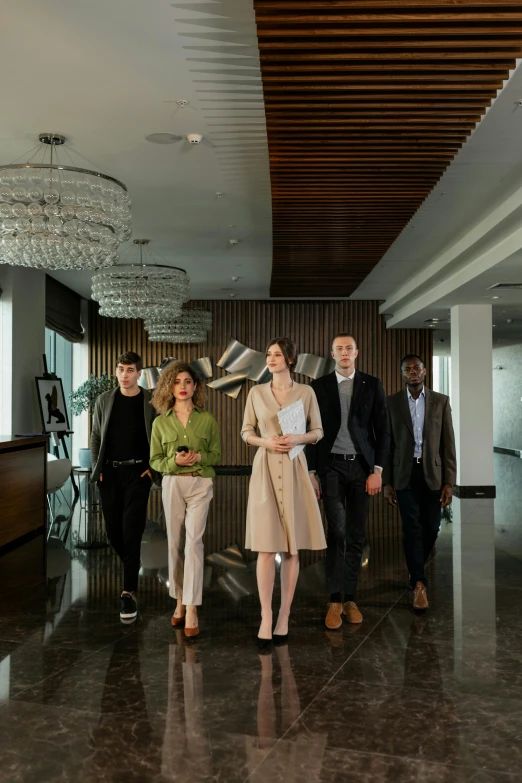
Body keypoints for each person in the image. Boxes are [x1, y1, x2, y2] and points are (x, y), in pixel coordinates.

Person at [241, 337, 326, 647]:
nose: (271, 358)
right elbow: (246, 431)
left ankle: (284, 615)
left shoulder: (306, 392)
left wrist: (299, 438)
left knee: (291, 548)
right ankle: (265, 615)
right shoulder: (256, 392)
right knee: (265, 548)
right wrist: (267, 442)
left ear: (291, 360)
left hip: (294, 469)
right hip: (264, 469)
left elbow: (318, 431)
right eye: (268, 354)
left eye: (277, 355)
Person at [306, 334, 390, 629]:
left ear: (357, 352)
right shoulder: (318, 387)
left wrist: (377, 471)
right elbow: (311, 432)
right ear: (332, 353)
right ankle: (334, 599)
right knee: (337, 531)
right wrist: (312, 473)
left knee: (356, 534)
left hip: (362, 470)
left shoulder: (372, 384)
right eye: (339, 348)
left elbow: (384, 431)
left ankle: (350, 598)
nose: (344, 352)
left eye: (349, 348)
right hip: (331, 468)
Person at [150, 361, 221, 638]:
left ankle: (191, 607)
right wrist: (174, 460)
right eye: (177, 382)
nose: (183, 386)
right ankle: (178, 600)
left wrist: (199, 457)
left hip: (200, 482)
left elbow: (216, 455)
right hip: (172, 483)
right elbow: (154, 460)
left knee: (194, 542)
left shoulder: (207, 419)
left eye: (188, 382)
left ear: (195, 387)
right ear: (169, 386)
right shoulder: (160, 422)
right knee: (176, 543)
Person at [383, 354, 456, 610]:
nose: (412, 372)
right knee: (411, 528)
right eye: (407, 369)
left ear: (424, 372)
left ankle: (414, 572)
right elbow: (387, 445)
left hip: (433, 475)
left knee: (432, 527)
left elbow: (448, 444)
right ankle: (419, 584)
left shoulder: (440, 402)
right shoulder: (391, 403)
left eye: (417, 368)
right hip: (404, 474)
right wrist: (387, 482)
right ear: (402, 374)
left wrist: (449, 482)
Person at [90, 351, 157, 621]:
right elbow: (95, 436)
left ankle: (128, 593)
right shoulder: (104, 400)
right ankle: (133, 562)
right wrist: (98, 468)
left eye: (130, 370)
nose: (125, 375)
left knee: (132, 529)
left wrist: (152, 470)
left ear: (139, 373)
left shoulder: (151, 402)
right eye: (121, 369)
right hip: (110, 474)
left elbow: (160, 436)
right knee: (113, 532)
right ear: (116, 371)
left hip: (139, 473)